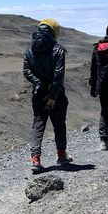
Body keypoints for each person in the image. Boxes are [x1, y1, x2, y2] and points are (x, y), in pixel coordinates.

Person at [23, 18, 72, 173]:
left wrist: (38, 83)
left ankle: (35, 160)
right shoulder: (58, 50)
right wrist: (52, 96)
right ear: (54, 32)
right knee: (59, 124)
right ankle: (62, 156)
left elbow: (26, 71)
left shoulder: (29, 50)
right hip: (56, 94)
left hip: (38, 94)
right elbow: (59, 75)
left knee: (38, 125)